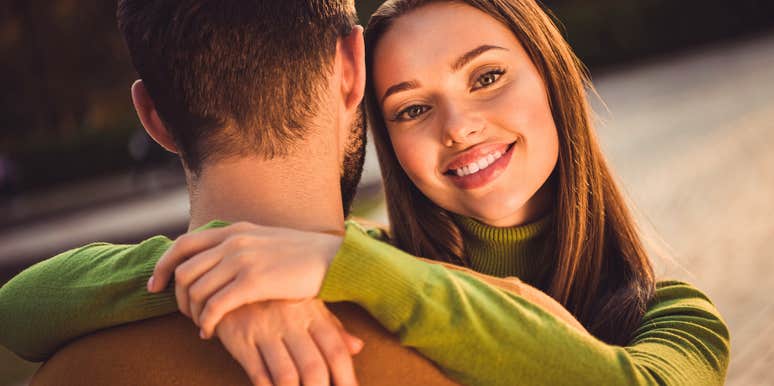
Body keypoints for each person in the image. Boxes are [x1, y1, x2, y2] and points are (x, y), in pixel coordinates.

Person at [0, 0, 730, 385]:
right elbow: (19, 306)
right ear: (359, 94)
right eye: (411, 108)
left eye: (486, 77)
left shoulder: (676, 313)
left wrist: (325, 259)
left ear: (553, 75)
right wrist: (224, 276)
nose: (459, 127)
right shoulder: (354, 261)